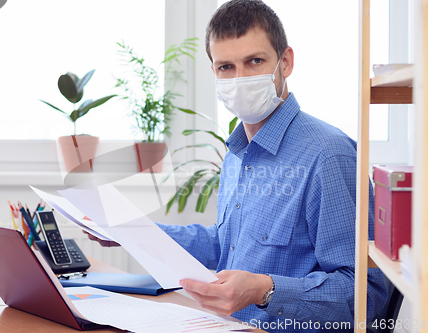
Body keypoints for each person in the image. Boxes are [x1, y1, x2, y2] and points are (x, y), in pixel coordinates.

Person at [86, 0, 387, 331]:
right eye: (226, 67)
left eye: (255, 61)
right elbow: (226, 245)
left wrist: (266, 290)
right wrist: (135, 231)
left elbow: (368, 297)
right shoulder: (237, 153)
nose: (240, 78)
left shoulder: (329, 156)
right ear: (213, 71)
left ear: (285, 62)